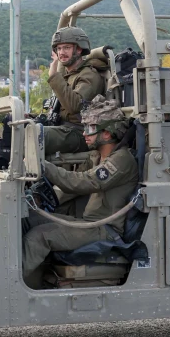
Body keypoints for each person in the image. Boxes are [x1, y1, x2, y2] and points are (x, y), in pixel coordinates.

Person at [23, 96, 138, 288]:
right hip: (90, 224)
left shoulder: (121, 160)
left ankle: (9, 288)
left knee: (39, 237)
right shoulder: (97, 156)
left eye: (91, 129)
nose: (85, 134)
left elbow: (83, 182)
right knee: (28, 219)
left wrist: (43, 166)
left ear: (108, 134)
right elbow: (75, 178)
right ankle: (30, 281)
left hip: (104, 230)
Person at [42, 27, 107, 155]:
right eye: (59, 49)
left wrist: (54, 76)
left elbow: (75, 105)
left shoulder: (89, 75)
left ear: (78, 49)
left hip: (81, 132)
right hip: (64, 128)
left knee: (37, 135)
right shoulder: (69, 75)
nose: (61, 53)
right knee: (20, 126)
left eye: (66, 48)